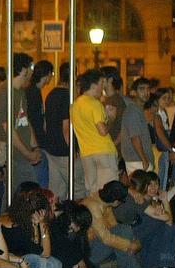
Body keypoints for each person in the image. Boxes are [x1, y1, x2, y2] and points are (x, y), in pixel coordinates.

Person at [0, 188, 72, 268]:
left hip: (16, 257)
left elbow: (42, 250)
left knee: (54, 261)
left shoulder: (21, 221)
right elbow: (44, 252)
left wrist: (39, 225)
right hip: (8, 259)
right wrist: (42, 225)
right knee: (35, 261)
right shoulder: (15, 225)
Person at [50, 201, 135, 268]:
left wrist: (81, 263)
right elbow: (60, 247)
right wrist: (77, 265)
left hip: (67, 255)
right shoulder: (57, 223)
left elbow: (78, 247)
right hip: (57, 255)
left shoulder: (72, 224)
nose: (76, 229)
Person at [0, 53, 41, 193]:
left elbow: (25, 120)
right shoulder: (4, 93)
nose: (32, 71)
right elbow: (8, 129)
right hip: (13, 156)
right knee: (23, 196)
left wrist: (35, 147)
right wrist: (27, 153)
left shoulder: (20, 91)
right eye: (31, 67)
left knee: (21, 195)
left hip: (23, 155)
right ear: (23, 70)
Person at [117, 170, 175, 268]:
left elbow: (168, 221)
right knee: (168, 227)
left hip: (143, 233)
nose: (153, 187)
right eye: (150, 184)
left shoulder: (152, 202)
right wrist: (165, 202)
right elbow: (167, 219)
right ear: (144, 186)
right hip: (134, 232)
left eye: (156, 184)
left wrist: (163, 203)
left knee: (169, 228)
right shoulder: (139, 199)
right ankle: (164, 264)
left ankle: (164, 265)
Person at [80, 181, 145, 268]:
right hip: (88, 253)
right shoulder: (93, 206)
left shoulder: (103, 202)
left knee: (125, 231)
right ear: (115, 201)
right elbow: (106, 238)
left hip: (97, 245)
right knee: (125, 234)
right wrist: (129, 245)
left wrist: (132, 242)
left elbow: (114, 227)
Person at [70, 68, 118, 197]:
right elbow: (102, 130)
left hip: (86, 153)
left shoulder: (75, 105)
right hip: (103, 151)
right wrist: (112, 118)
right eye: (101, 83)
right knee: (109, 193)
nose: (103, 87)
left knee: (92, 193)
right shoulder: (94, 104)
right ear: (93, 85)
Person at [42, 63, 71, 197]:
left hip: (50, 146)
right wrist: (71, 148)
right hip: (63, 149)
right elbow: (66, 127)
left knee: (55, 189)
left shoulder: (50, 94)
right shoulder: (66, 96)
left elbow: (46, 122)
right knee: (74, 185)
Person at [25, 60, 53, 187]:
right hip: (36, 142)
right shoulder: (33, 92)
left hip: (37, 141)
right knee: (40, 180)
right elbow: (31, 119)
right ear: (46, 75)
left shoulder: (34, 91)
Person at [120, 75, 153, 174]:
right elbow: (134, 137)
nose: (146, 92)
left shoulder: (137, 110)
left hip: (138, 160)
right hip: (137, 160)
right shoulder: (133, 110)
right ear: (133, 92)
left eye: (148, 89)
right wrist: (144, 159)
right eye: (142, 89)